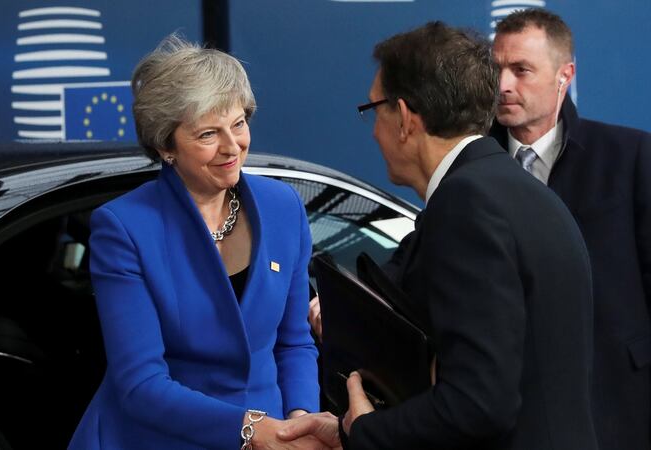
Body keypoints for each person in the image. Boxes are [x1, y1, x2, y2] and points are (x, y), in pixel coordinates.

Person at [280, 22, 598, 449]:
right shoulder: (513, 190)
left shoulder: (466, 204)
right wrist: (341, 430)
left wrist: (365, 431)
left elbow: (478, 402)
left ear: (406, 118)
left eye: (374, 109)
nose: (374, 130)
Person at [68, 35, 324, 450]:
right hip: (159, 438)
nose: (232, 147)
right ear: (165, 146)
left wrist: (299, 422)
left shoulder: (284, 207)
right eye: (208, 134)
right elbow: (140, 384)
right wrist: (251, 429)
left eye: (238, 124)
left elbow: (293, 341)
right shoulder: (124, 227)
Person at [490, 9, 651, 450]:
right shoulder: (472, 163)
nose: (503, 85)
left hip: (615, 408)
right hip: (507, 415)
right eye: (496, 68)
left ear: (565, 75)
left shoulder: (629, 156)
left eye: (521, 70)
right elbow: (424, 251)